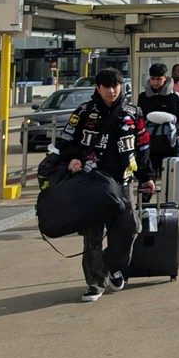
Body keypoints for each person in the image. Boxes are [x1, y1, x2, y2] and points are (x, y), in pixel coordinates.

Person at [53, 68, 155, 301]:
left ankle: (113, 266)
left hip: (122, 183)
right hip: (91, 184)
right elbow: (66, 141)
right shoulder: (83, 112)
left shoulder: (133, 112)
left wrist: (147, 176)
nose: (111, 91)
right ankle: (95, 283)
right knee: (93, 236)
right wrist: (73, 158)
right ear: (97, 88)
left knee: (130, 228)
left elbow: (142, 146)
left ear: (121, 86)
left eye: (115, 86)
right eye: (106, 86)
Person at [136, 61, 179, 166]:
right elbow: (139, 117)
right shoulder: (143, 97)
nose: (155, 82)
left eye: (158, 79)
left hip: (169, 140)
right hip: (149, 140)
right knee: (149, 170)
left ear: (165, 78)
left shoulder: (174, 97)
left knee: (169, 170)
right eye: (152, 79)